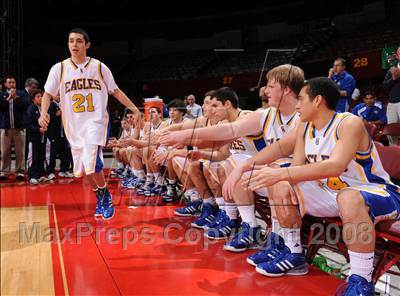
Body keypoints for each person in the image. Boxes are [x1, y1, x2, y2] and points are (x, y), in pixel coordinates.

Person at [241, 77, 400, 295]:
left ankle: (361, 282)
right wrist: (271, 174)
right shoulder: (305, 128)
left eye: (301, 99)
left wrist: (280, 171)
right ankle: (293, 253)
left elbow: (334, 166)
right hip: (333, 193)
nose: (297, 105)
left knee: (348, 196)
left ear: (317, 100)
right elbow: (295, 169)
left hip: (376, 191)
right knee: (281, 183)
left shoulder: (348, 122)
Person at [38, 28, 139, 220]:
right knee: (84, 168)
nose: (74, 45)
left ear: (87, 45)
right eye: (71, 41)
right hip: (74, 126)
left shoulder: (99, 67)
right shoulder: (59, 69)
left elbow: (115, 91)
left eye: (78, 41)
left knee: (93, 162)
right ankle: (100, 194)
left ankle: (106, 196)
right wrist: (43, 113)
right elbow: (47, 94)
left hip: (96, 121)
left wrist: (134, 109)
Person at [0, 75, 30, 180]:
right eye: (9, 82)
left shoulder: (21, 94)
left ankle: (20, 172)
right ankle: (4, 171)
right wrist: (8, 98)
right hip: (6, 128)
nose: (12, 84)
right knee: (5, 151)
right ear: (5, 84)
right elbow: (1, 107)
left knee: (20, 151)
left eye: (13, 82)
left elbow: (26, 105)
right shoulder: (2, 94)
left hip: (19, 127)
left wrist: (16, 98)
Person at [26, 89, 49, 185]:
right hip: (33, 138)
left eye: (41, 96)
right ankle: (32, 176)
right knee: (33, 157)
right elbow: (28, 125)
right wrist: (38, 129)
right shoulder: (31, 109)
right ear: (33, 99)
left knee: (41, 156)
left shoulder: (43, 109)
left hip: (42, 137)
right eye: (38, 97)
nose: (41, 98)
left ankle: (40, 175)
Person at [383, 46, 400, 146]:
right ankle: (394, 152)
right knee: (391, 132)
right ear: (397, 56)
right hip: (392, 104)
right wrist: (393, 78)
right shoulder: (391, 70)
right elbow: (385, 86)